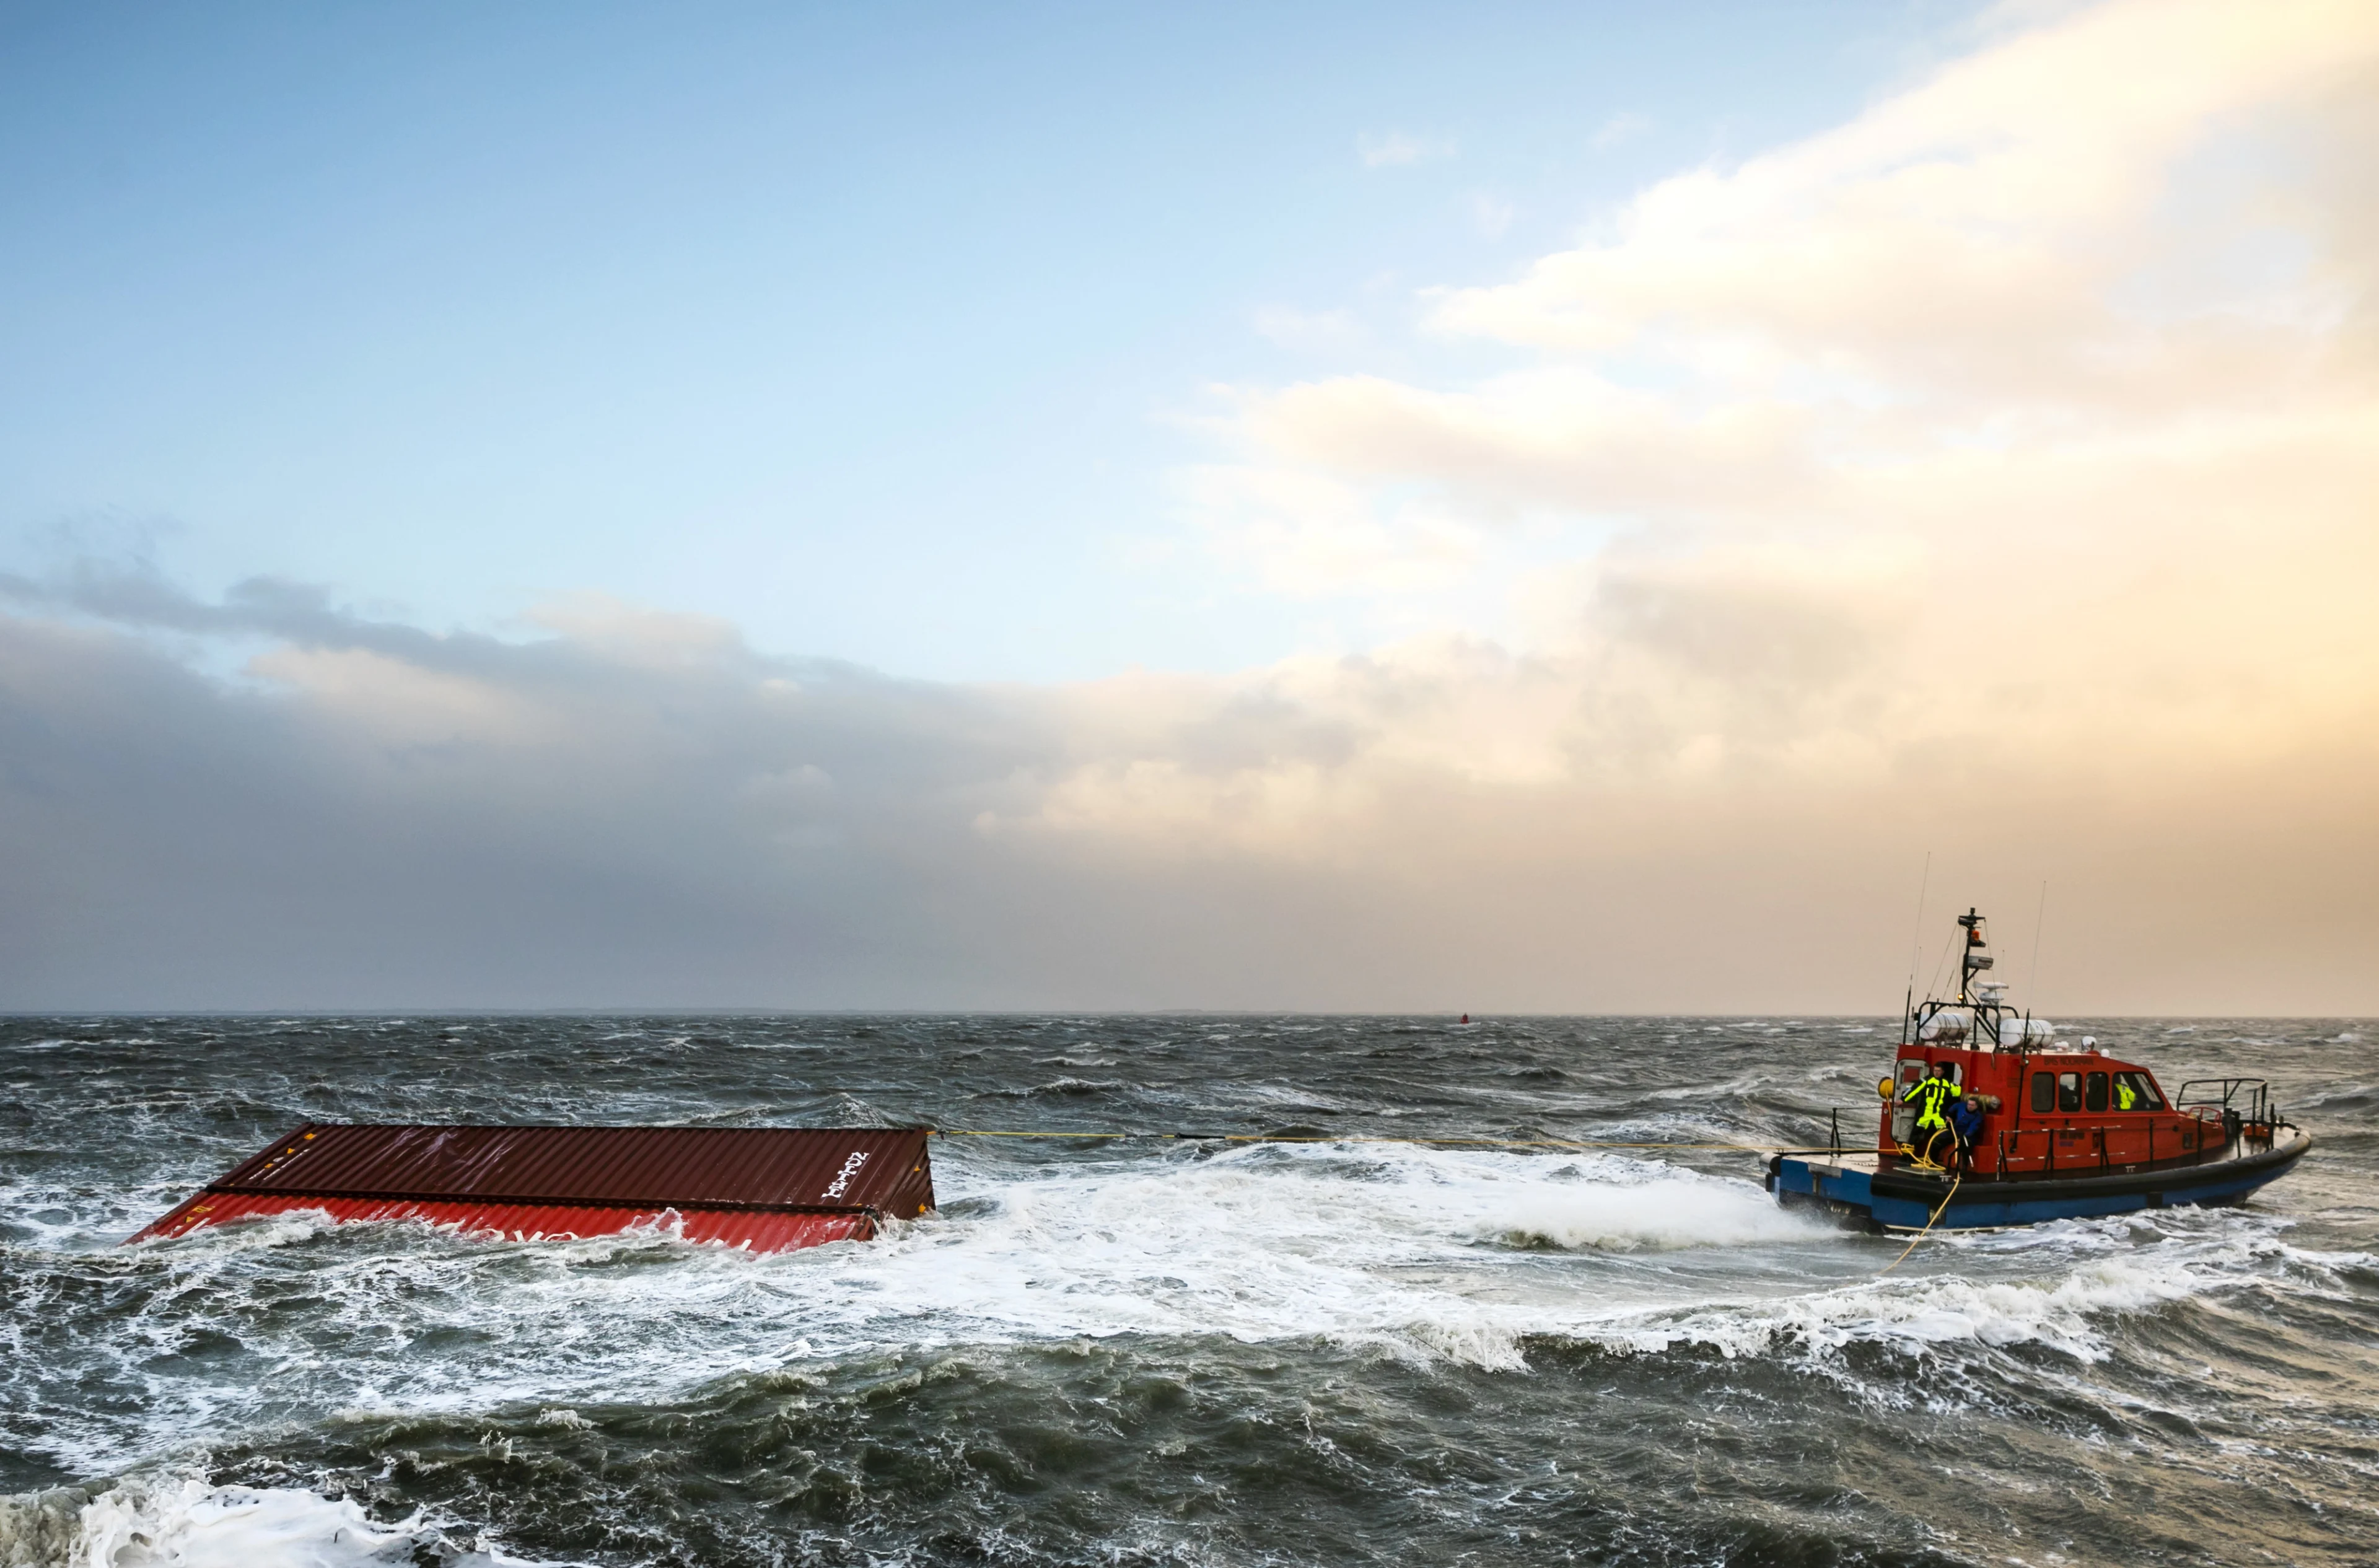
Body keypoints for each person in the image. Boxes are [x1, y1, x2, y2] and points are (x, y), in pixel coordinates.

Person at [1901, 1061, 1965, 1168]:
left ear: (1943, 1072)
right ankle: (1907, 1156)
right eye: (1935, 1071)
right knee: (1914, 1136)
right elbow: (1914, 1089)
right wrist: (1903, 1099)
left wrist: (1960, 1083)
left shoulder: (1947, 1083)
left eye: (1939, 1071)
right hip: (1925, 1115)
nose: (1936, 1073)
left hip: (1938, 1117)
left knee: (1938, 1138)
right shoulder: (1927, 1081)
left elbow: (1957, 1093)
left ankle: (1933, 1160)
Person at [1949, 1092, 1986, 1169]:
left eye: (1972, 1105)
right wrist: (1948, 1116)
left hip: (1968, 1135)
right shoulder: (1961, 1106)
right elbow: (1952, 1110)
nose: (1970, 1106)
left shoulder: (1978, 1116)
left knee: (1966, 1146)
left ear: (1976, 1106)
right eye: (1969, 1104)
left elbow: (1972, 1129)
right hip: (1955, 1131)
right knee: (1939, 1140)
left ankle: (1963, 1168)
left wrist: (1962, 1137)